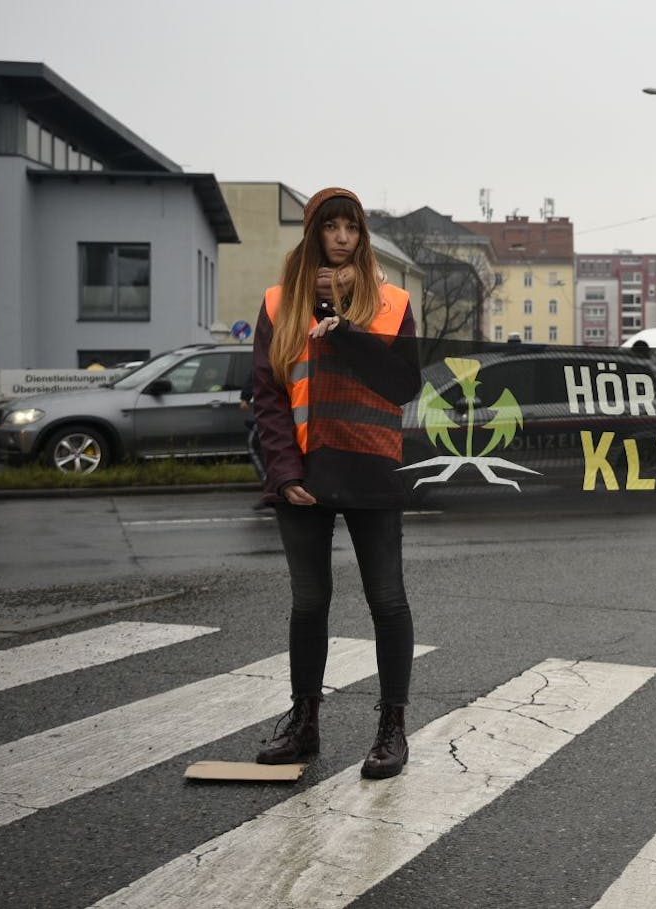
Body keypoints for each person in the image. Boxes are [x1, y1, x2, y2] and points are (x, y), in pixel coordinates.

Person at [251, 187, 421, 780]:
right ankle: (305, 725)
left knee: (387, 600)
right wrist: (284, 472)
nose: (342, 237)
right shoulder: (278, 303)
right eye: (332, 227)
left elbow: (403, 385)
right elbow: (269, 396)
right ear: (315, 233)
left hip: (372, 469)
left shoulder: (392, 302)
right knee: (309, 604)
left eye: (352, 227)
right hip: (304, 475)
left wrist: (342, 327)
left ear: (362, 235)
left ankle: (392, 729)